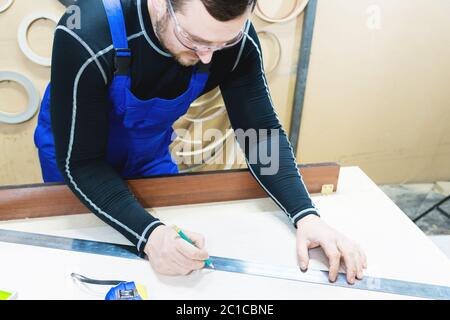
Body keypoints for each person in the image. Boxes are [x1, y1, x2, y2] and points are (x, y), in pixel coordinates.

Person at [34, 0, 367, 284]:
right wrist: (149, 235)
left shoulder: (231, 43)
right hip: (76, 154)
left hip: (148, 151)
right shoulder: (86, 32)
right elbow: (82, 162)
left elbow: (260, 133)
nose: (208, 57)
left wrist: (305, 215)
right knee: (90, 259)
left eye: (222, 44)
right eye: (193, 40)